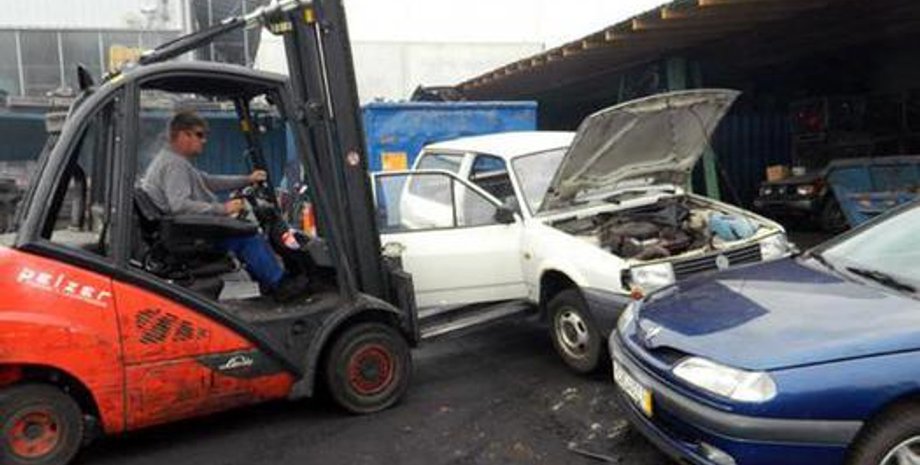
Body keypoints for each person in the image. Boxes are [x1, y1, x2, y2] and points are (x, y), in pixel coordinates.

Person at [141, 109, 309, 301]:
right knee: (248, 236)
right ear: (182, 135)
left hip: (183, 232)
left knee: (244, 227)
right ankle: (280, 284)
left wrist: (247, 179)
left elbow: (209, 181)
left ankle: (268, 281)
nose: (204, 140)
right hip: (188, 235)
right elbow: (180, 206)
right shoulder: (174, 165)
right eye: (199, 135)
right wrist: (223, 209)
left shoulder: (174, 161)